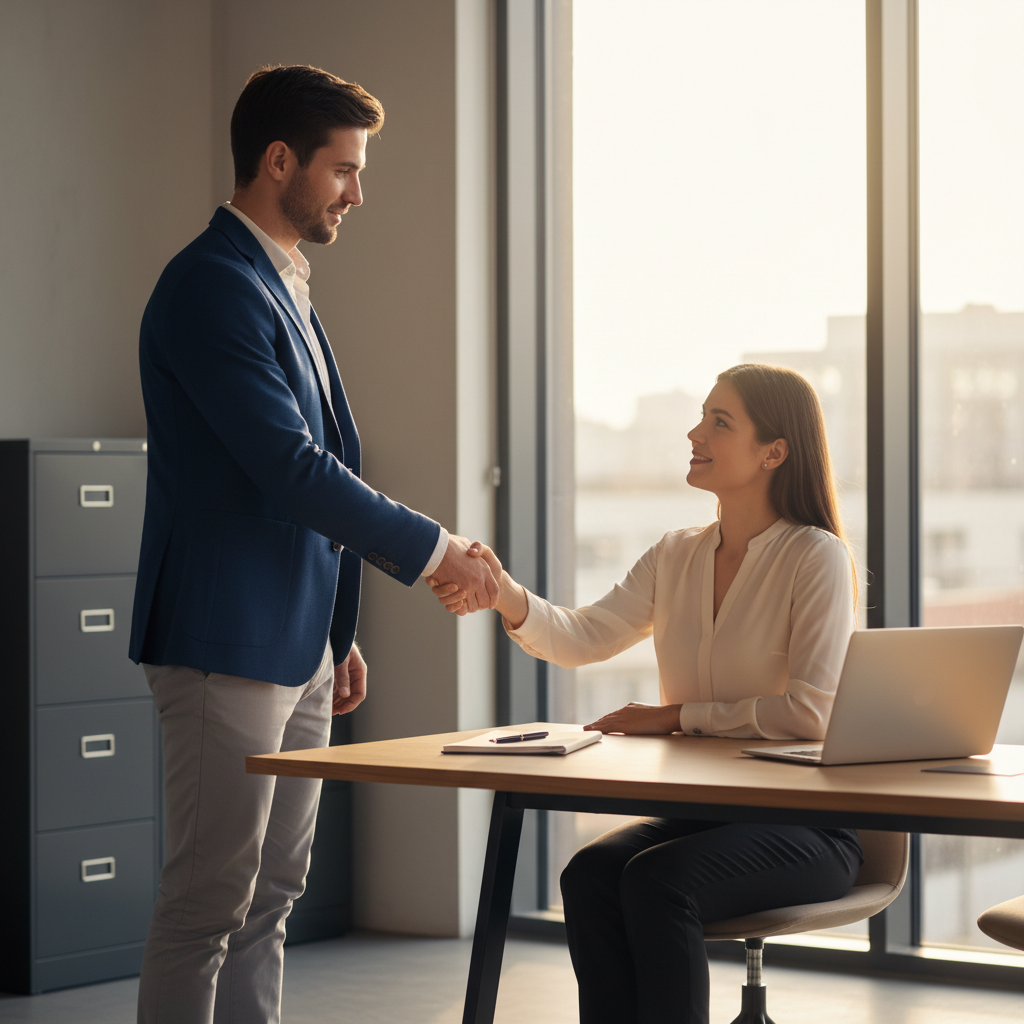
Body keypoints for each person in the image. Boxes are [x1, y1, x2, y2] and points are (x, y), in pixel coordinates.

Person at [128, 65, 496, 1024]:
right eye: (343, 170)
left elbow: (318, 465)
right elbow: (287, 468)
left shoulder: (282, 280)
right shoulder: (211, 284)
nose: (357, 194)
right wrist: (436, 550)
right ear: (278, 160)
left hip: (296, 647)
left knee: (272, 900)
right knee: (209, 899)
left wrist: (339, 631)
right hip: (225, 641)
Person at [430, 363, 862, 1024]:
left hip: (806, 827)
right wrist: (505, 592)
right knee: (588, 875)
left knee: (659, 882)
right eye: (702, 416)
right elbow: (580, 637)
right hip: (702, 814)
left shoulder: (816, 557)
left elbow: (812, 712)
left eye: (721, 422)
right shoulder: (676, 554)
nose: (696, 432)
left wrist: (676, 717)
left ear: (774, 452)